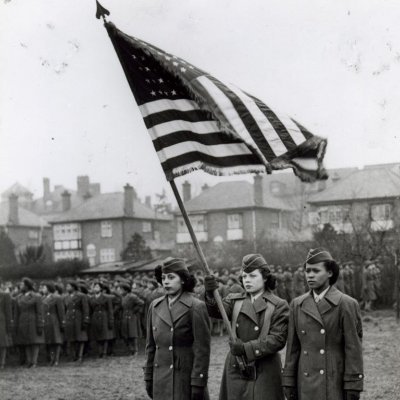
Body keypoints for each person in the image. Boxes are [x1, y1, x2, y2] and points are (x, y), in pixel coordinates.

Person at [204, 254, 289, 400]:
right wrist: (210, 294)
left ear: (265, 278)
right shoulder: (234, 300)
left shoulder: (278, 305)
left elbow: (277, 339)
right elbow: (216, 311)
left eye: (252, 276)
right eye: (244, 276)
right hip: (236, 367)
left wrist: (245, 348)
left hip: (265, 369)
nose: (247, 280)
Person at [283, 248, 364, 400]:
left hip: (333, 380)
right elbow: (292, 348)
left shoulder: (346, 304)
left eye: (316, 271)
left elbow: (353, 348)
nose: (310, 275)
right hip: (304, 381)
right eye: (307, 271)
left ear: (330, 273)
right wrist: (288, 381)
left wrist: (353, 383)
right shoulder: (297, 304)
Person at [144, 257, 211, 400]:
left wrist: (198, 382)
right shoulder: (155, 306)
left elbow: (202, 350)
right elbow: (151, 346)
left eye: (171, 277)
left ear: (182, 280)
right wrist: (148, 376)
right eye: (163, 278)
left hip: (184, 378)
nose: (166, 281)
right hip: (160, 376)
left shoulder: (196, 306)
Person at [15, 277, 45, 368]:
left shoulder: (36, 296)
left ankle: (34, 361)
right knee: (26, 341)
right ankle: (29, 361)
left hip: (33, 320)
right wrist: (16, 324)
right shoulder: (19, 297)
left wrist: (40, 324)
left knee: (34, 342)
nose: (20, 286)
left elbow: (39, 312)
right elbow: (17, 312)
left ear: (27, 286)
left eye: (22, 285)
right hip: (22, 321)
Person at [64, 280, 90, 363]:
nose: (67, 288)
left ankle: (80, 356)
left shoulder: (81, 296)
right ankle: (73, 356)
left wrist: (86, 319)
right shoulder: (66, 297)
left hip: (78, 318)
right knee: (71, 338)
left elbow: (86, 309)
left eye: (68, 286)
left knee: (80, 338)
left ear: (73, 287)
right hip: (69, 319)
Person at [41, 281, 65, 366]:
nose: (42, 289)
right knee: (49, 341)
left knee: (56, 340)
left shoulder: (57, 298)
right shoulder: (42, 298)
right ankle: (51, 358)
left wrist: (62, 323)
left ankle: (56, 359)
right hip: (46, 321)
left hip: (54, 320)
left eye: (44, 288)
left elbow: (61, 312)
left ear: (48, 288)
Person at [118, 281, 144, 355]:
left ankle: (135, 350)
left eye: (121, 289)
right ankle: (130, 348)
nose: (120, 291)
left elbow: (141, 303)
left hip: (131, 316)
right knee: (125, 333)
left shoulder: (132, 296)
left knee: (133, 333)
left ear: (126, 290)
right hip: (124, 316)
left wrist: (134, 310)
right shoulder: (123, 297)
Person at [89, 281, 114, 358]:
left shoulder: (106, 297)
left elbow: (110, 310)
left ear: (101, 288)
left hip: (104, 316)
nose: (95, 288)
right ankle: (99, 351)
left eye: (97, 287)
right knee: (97, 335)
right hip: (95, 316)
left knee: (105, 335)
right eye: (94, 287)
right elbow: (90, 310)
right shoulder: (91, 298)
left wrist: (111, 320)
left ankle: (104, 352)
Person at [0, 281, 13, 368]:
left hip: (1, 320)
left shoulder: (5, 295)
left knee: (2, 342)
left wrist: (9, 324)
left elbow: (8, 312)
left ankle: (2, 362)